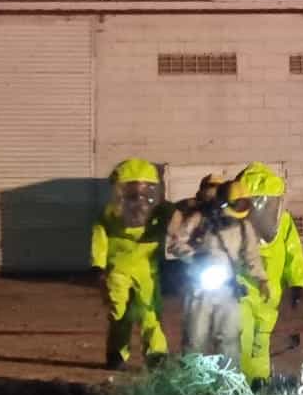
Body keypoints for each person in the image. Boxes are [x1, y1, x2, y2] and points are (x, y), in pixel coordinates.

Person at [168, 175, 269, 368]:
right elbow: (177, 243)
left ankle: (230, 382)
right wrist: (194, 257)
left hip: (228, 288)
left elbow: (252, 256)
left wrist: (262, 279)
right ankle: (191, 379)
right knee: (195, 337)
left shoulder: (243, 226)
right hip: (200, 287)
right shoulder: (200, 221)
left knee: (230, 337)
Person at [232, 161, 303, 388]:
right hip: (247, 290)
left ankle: (257, 381)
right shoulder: (281, 220)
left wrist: (297, 282)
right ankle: (248, 381)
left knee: (257, 339)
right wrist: (296, 283)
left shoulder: (280, 221)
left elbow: (293, 251)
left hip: (257, 291)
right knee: (249, 338)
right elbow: (294, 251)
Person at [89, 158, 169, 370]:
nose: (139, 197)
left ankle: (156, 355)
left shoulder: (159, 213)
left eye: (145, 191)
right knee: (120, 313)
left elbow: (177, 225)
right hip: (118, 270)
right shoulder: (110, 214)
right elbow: (100, 238)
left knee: (149, 312)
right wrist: (97, 265)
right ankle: (117, 354)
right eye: (133, 191)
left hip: (146, 270)